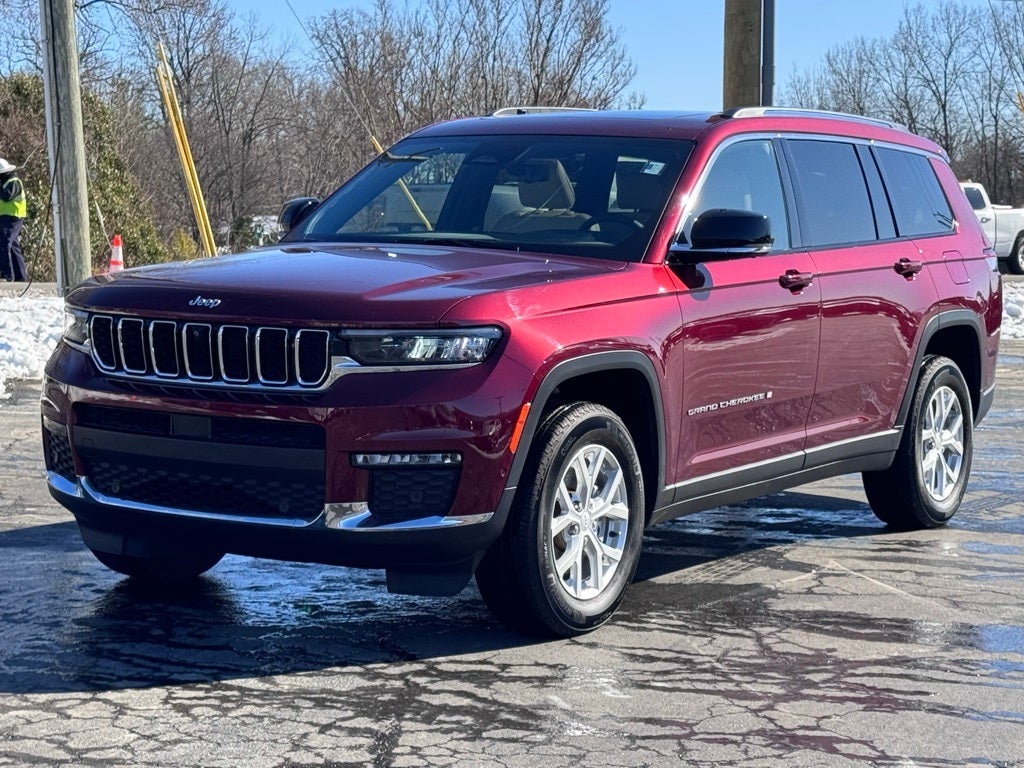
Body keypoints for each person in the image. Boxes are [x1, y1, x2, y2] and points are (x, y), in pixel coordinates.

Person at [0, 157, 28, 282]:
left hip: (14, 217)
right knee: (13, 247)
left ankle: (7, 274)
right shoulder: (4, 182)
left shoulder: (14, 181)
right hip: (5, 217)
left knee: (4, 243)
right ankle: (20, 277)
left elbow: (6, 196)